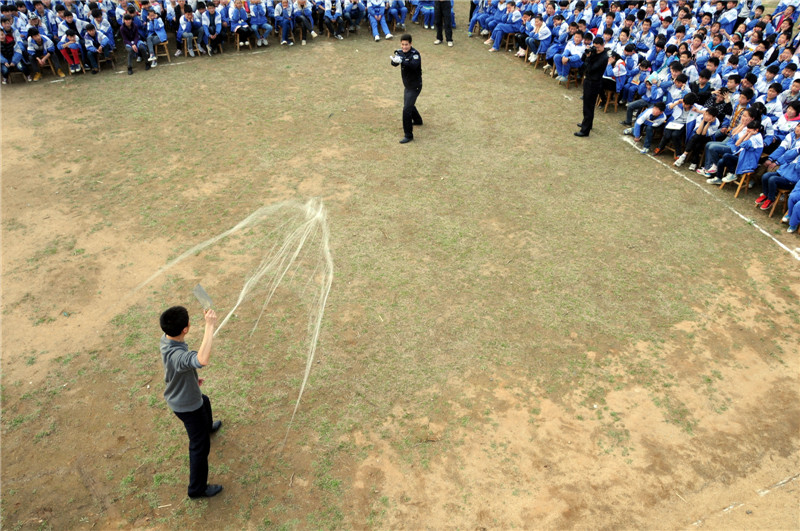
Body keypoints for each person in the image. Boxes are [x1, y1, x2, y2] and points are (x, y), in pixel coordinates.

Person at [159, 306, 224, 500]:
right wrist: (210, 326)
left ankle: (208, 427)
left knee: (205, 401)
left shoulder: (167, 339)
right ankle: (197, 489)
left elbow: (178, 368)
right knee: (199, 446)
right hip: (187, 406)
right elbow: (201, 359)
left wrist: (190, 380)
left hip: (186, 393)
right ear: (185, 329)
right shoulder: (177, 356)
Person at [390, 33, 422, 144]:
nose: (404, 47)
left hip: (415, 86)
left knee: (406, 110)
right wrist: (394, 61)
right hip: (407, 85)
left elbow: (413, 66)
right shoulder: (400, 52)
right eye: (402, 44)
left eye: (406, 45)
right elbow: (393, 64)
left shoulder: (415, 54)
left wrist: (402, 61)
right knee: (409, 104)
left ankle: (408, 135)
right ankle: (418, 120)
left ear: (411, 44)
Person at [575, 36, 608, 137]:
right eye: (595, 47)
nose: (596, 49)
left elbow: (591, 69)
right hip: (588, 80)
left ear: (603, 46)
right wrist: (587, 55)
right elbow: (583, 64)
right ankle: (587, 124)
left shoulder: (604, 57)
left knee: (588, 106)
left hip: (594, 83)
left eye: (598, 47)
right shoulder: (594, 53)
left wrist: (589, 58)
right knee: (586, 104)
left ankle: (585, 131)